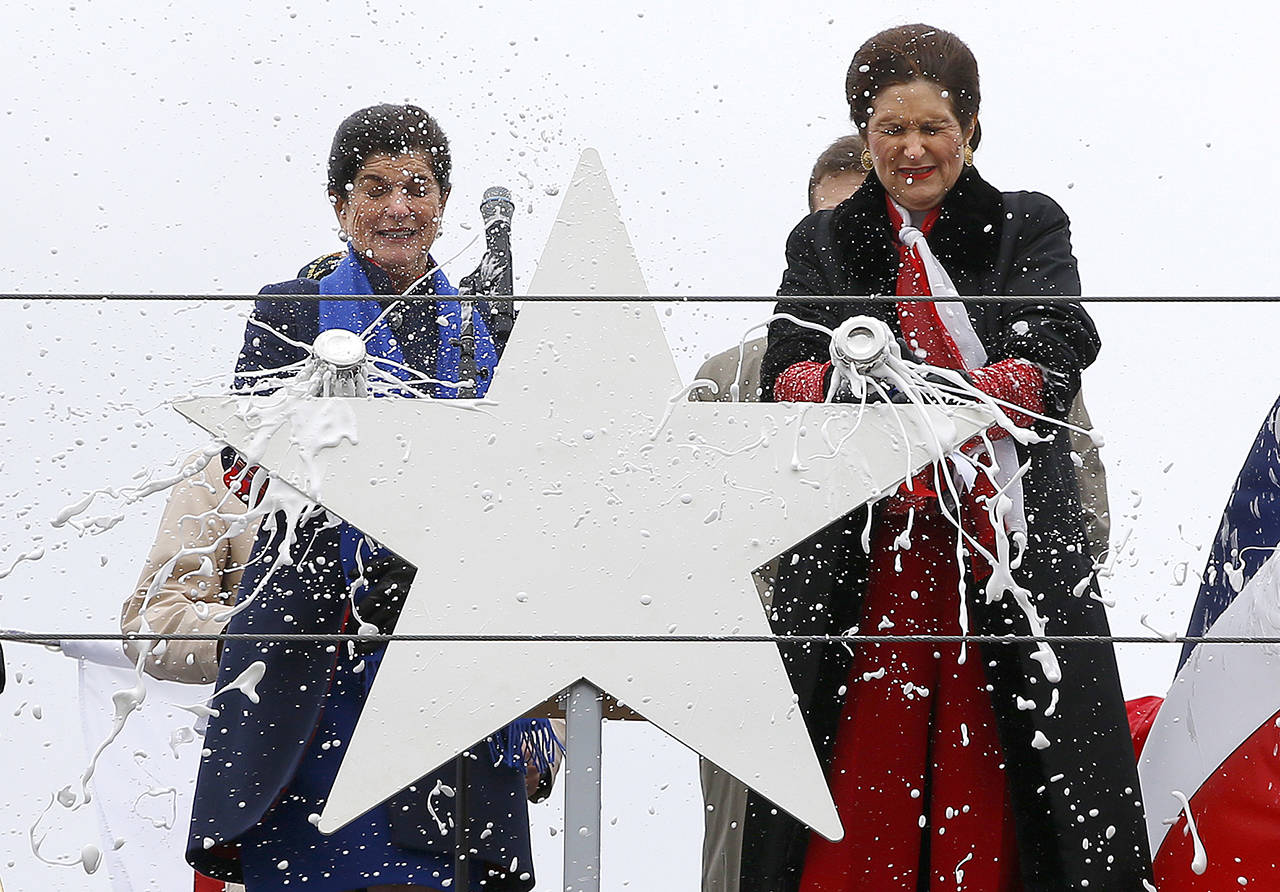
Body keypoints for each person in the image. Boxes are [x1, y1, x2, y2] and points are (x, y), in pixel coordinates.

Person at [742, 26, 1151, 891]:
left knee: (1012, 778)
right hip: (865, 560)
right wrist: (853, 387)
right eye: (892, 129)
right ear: (864, 135)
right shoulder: (822, 240)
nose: (912, 148)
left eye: (934, 128)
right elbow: (784, 365)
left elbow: (1059, 341)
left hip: (1002, 550)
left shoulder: (1026, 222)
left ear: (971, 129)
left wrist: (961, 392)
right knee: (859, 776)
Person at [185, 104, 558, 892]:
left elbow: (526, 491)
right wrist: (363, 517)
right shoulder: (292, 308)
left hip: (450, 644)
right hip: (317, 664)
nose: (398, 207)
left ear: (445, 201)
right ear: (338, 206)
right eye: (374, 187)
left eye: (417, 186)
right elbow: (244, 468)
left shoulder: (489, 323)